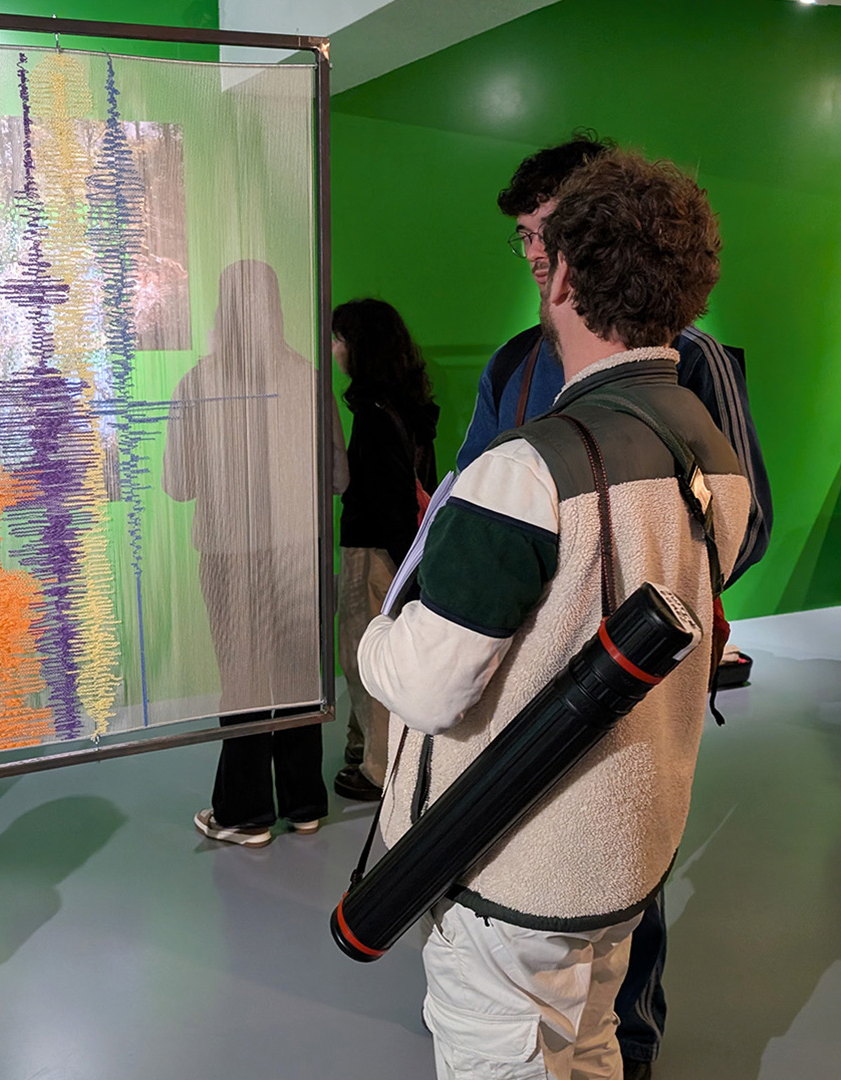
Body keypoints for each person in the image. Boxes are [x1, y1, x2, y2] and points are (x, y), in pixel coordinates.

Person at [357, 151, 751, 1079]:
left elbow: (427, 686)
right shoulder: (712, 453)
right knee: (590, 1043)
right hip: (624, 853)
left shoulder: (523, 472)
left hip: (510, 872)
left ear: (565, 275)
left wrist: (378, 632)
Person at [163, 260, 328, 847]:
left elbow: (178, 484)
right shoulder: (307, 376)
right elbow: (336, 476)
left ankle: (246, 812)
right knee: (299, 674)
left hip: (231, 552)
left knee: (243, 677)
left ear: (222, 309)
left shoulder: (197, 383)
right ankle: (305, 803)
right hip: (300, 549)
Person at [331, 299, 439, 802]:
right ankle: (364, 746)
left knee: (362, 658)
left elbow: (386, 497)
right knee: (379, 653)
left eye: (339, 339)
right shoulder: (407, 404)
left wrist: (401, 560)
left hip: (373, 551)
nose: (334, 349)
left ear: (361, 348)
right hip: (400, 550)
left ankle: (377, 767)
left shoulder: (373, 415)